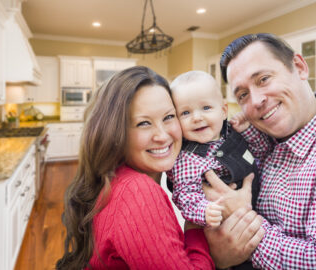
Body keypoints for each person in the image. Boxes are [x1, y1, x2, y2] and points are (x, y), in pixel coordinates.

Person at [56, 66, 225, 270]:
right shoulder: (137, 192)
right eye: (144, 123)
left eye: (169, 117)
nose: (162, 136)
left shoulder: (118, 178)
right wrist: (196, 228)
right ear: (114, 133)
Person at [202, 33, 316, 269]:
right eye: (242, 94)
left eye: (263, 79)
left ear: (299, 67)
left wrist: (241, 220)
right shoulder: (264, 139)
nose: (256, 100)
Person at [166, 70, 260, 229]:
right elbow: (185, 196)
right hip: (226, 223)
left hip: (261, 208)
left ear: (223, 111)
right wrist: (204, 211)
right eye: (185, 112)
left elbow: (260, 152)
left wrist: (246, 130)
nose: (196, 118)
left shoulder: (232, 132)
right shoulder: (186, 159)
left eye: (206, 107)